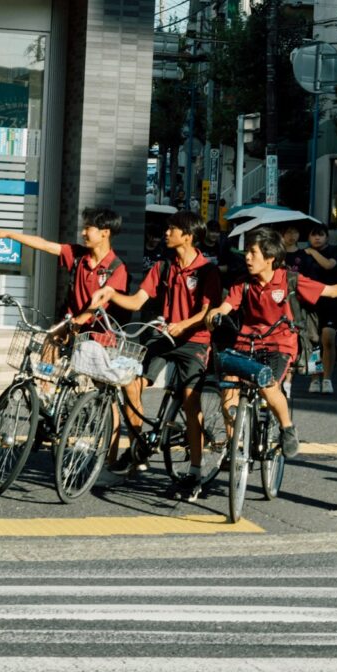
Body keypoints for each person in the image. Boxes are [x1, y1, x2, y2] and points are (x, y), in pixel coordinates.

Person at [204, 228, 337, 459]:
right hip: (246, 342)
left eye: (252, 252)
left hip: (279, 345)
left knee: (267, 385)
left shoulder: (289, 279)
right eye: (246, 252)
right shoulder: (243, 282)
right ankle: (233, 445)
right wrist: (217, 312)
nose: (247, 257)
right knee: (228, 390)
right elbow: (228, 304)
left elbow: (331, 291)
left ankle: (287, 428)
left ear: (270, 258)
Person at [89, 211, 221, 499]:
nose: (166, 232)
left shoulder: (208, 271)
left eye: (172, 228)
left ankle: (196, 471)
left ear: (187, 235)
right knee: (130, 383)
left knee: (190, 400)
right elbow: (138, 299)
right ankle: (138, 451)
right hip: (164, 337)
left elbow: (206, 312)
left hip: (195, 342)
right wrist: (110, 293)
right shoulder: (162, 267)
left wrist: (183, 324)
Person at [0, 208, 128, 332]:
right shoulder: (77, 254)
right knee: (47, 351)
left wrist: (79, 321)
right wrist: (8, 235)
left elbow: (101, 301)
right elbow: (44, 244)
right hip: (70, 326)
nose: (83, 233)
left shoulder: (117, 268)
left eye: (88, 228)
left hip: (98, 336)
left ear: (105, 233)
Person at [300, 225, 337, 394]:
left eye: (321, 235)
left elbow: (328, 265)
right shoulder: (303, 255)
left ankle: (327, 378)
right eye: (313, 235)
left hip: (332, 300)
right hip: (311, 303)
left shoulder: (335, 250)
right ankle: (314, 378)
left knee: (328, 338)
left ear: (327, 237)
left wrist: (312, 252)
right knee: (313, 342)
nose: (317, 238)